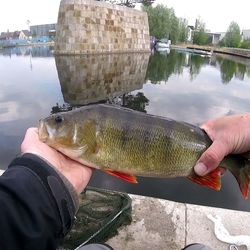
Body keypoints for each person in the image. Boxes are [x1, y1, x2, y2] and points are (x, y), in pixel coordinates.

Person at [1, 113, 250, 250]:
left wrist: (37, 182)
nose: (50, 125)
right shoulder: (88, 142)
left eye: (59, 121)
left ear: (90, 130)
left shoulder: (93, 137)